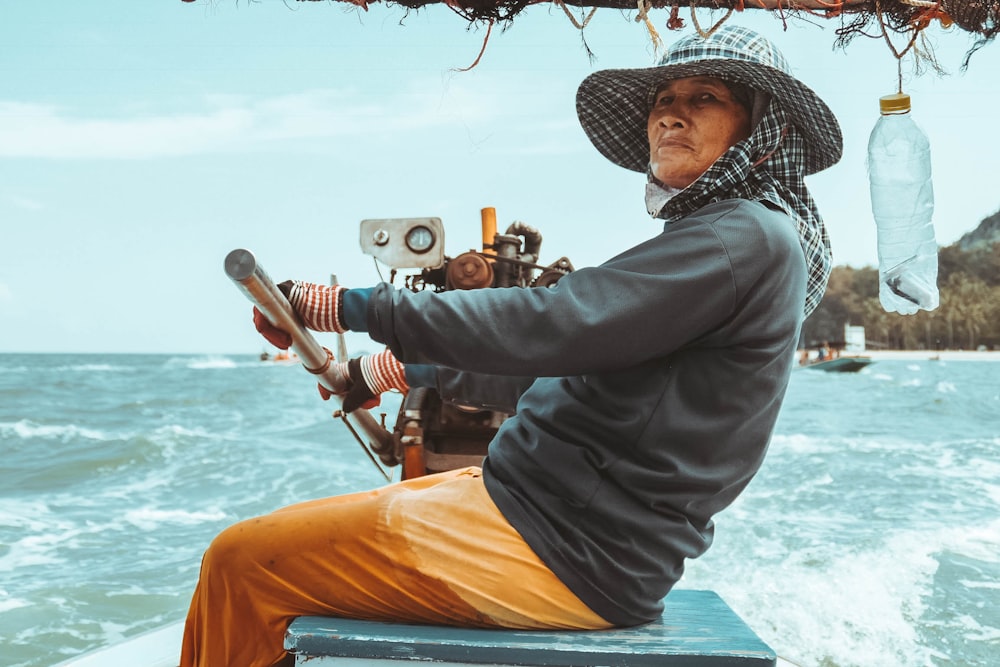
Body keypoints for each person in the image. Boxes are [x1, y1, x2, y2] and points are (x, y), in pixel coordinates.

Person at [180, 25, 842, 667]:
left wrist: (346, 305)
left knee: (238, 562)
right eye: (664, 100)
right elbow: (571, 375)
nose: (671, 115)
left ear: (762, 129)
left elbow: (556, 322)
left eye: (704, 99)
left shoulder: (742, 239)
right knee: (272, 539)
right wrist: (394, 369)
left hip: (559, 549)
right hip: (538, 514)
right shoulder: (725, 237)